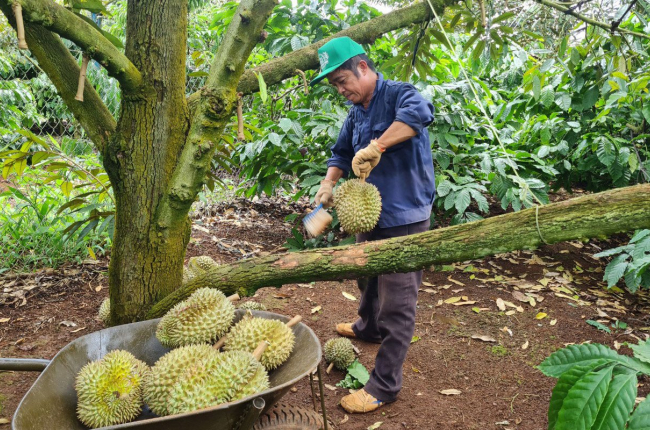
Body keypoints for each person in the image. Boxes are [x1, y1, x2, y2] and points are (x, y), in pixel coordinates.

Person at [311, 36, 436, 414]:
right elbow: (341, 152)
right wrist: (329, 182)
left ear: (362, 68)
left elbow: (420, 114)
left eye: (342, 81)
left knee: (397, 301)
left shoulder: (399, 94)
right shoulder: (354, 114)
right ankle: (368, 327)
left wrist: (378, 146)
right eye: (334, 85)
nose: (340, 90)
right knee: (366, 277)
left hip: (405, 215)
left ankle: (384, 386)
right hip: (370, 213)